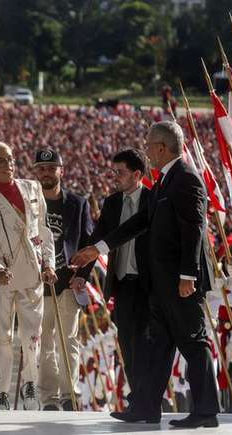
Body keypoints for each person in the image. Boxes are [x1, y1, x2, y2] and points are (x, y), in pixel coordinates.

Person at [72, 121, 219, 428]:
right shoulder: (164, 181)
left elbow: (194, 230)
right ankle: (146, 407)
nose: (147, 150)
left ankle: (206, 412)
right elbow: (140, 222)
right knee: (158, 347)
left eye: (150, 144)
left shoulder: (186, 179)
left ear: (162, 147)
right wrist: (97, 248)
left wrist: (188, 276)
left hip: (181, 282)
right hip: (163, 285)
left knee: (193, 343)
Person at [0, 141, 56, 411]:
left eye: (9, 159)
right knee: (1, 337)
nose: (7, 165)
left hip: (31, 276)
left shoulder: (32, 188)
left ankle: (30, 383)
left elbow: (44, 231)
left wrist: (49, 264)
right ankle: (2, 391)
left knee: (32, 336)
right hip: (0, 279)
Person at [32, 149, 94, 411]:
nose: (46, 172)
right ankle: (49, 399)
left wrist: (82, 276)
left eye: (51, 167)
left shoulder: (78, 204)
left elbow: (89, 243)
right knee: (44, 342)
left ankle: (70, 394)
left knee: (68, 340)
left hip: (68, 281)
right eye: (41, 168)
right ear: (36, 172)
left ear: (61, 170)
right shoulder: (29, 203)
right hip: (38, 283)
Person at [88, 148, 151, 405]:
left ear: (137, 174)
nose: (115, 177)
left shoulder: (154, 200)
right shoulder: (112, 203)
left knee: (147, 342)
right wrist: (81, 270)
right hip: (123, 285)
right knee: (127, 343)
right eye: (114, 172)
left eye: (120, 173)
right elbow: (98, 240)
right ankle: (138, 399)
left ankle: (150, 399)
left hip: (149, 286)